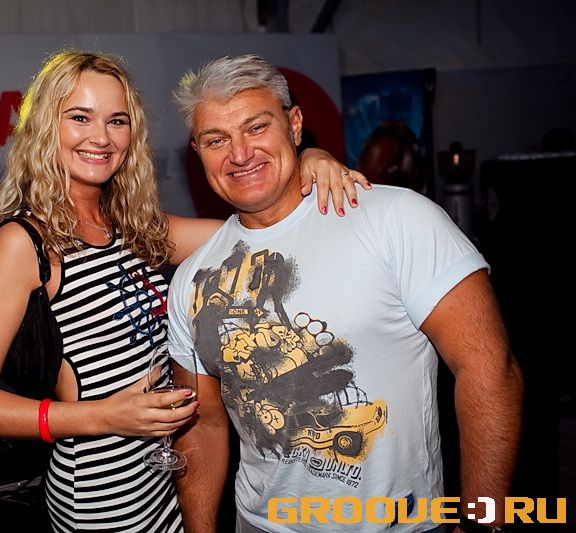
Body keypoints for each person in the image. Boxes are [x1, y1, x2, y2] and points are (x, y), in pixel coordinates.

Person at [0, 50, 368, 532]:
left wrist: (307, 158)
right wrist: (103, 417)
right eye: (80, 117)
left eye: (117, 120)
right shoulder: (24, 244)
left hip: (166, 482)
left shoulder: (130, 228)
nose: (101, 137)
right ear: (45, 126)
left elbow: (250, 233)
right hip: (102, 501)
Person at [167, 55, 523, 533]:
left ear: (295, 125)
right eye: (216, 139)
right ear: (198, 151)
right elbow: (204, 425)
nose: (240, 153)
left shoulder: (396, 218)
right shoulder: (193, 278)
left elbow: (490, 370)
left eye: (257, 127)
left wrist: (483, 522)